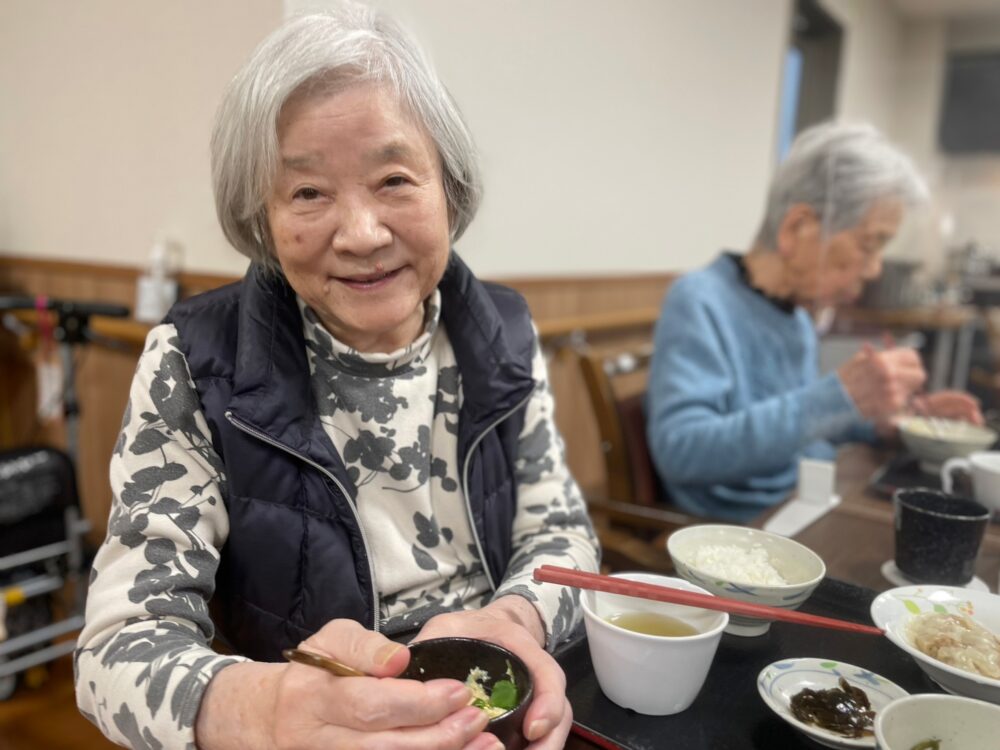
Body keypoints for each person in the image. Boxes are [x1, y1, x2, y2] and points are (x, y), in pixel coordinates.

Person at [74, 6, 599, 749]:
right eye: (309, 193)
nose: (360, 234)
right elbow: (115, 651)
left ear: (447, 187)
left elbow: (560, 530)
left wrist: (516, 620)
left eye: (393, 179)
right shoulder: (194, 361)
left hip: (500, 709)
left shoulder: (502, 332)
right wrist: (266, 710)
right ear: (263, 216)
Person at [646, 122, 982, 522]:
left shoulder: (796, 316)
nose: (875, 269)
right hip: (738, 528)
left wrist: (885, 424)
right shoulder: (700, 299)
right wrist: (839, 395)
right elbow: (682, 451)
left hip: (799, 505)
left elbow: (799, 431)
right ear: (797, 228)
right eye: (869, 244)